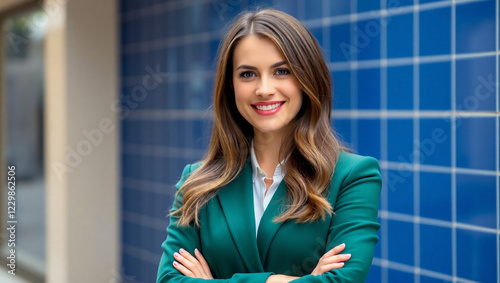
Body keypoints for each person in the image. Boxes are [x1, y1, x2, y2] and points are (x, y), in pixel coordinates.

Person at [157, 8, 381, 283]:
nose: (264, 89)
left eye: (282, 71)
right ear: (231, 86)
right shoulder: (196, 183)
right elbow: (169, 279)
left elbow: (345, 280)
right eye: (248, 74)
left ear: (307, 78)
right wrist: (282, 280)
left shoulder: (352, 176)